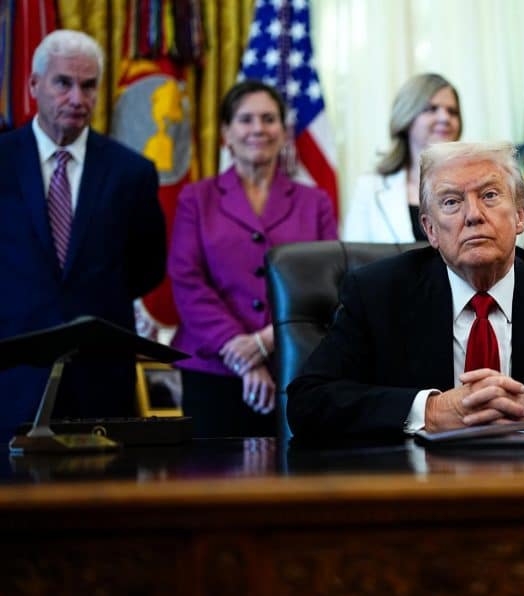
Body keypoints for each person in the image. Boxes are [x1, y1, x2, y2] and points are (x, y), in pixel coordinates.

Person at [287, 141, 524, 439]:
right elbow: (308, 401)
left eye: (489, 195)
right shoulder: (377, 294)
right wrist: (430, 412)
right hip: (416, 496)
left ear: (520, 215)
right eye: (451, 202)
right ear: (431, 230)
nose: (473, 215)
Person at [0, 30, 165, 437]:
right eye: (63, 83)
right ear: (34, 84)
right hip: (12, 375)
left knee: (102, 497)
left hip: (101, 378)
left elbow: (148, 268)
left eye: (88, 85)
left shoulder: (132, 172)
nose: (77, 98)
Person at [169, 80, 337, 437]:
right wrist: (241, 354)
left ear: (283, 131)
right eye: (246, 120)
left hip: (294, 369)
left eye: (268, 119)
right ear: (226, 133)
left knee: (292, 485)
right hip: (212, 370)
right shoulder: (196, 198)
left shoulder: (315, 201)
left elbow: (327, 286)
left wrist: (265, 341)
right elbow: (187, 280)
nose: (258, 129)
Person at [342, 73, 461, 242]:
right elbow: (353, 259)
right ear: (406, 117)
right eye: (431, 109)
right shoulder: (370, 188)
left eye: (452, 111)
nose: (445, 118)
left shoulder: (476, 183)